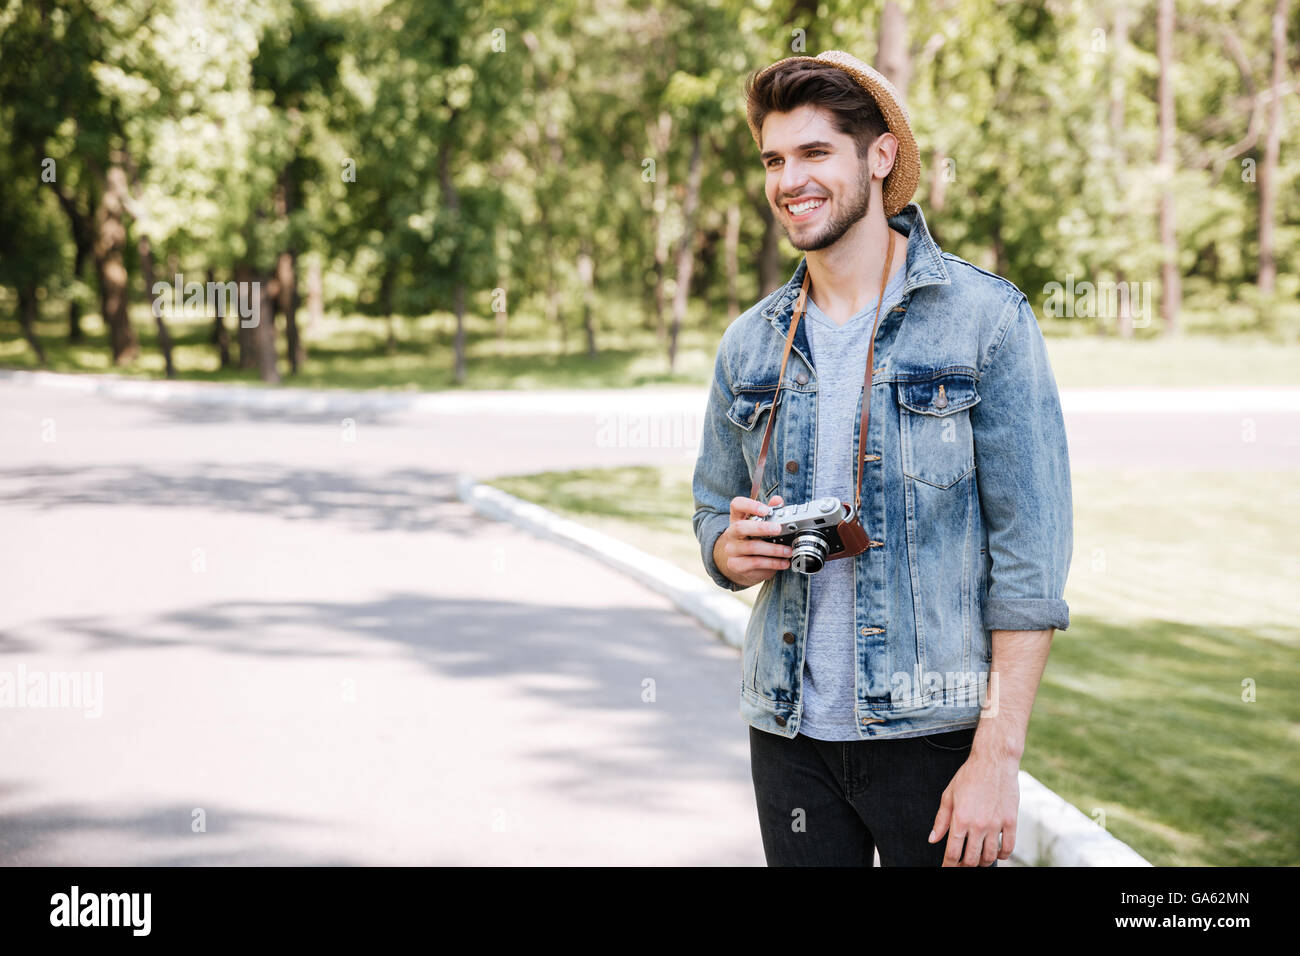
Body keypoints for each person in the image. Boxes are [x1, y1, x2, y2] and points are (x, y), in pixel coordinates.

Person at [691, 50, 1073, 867]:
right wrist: (728, 552)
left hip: (932, 737)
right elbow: (709, 510)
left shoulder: (986, 322)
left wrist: (997, 759)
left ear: (880, 156)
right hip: (788, 734)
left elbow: (1030, 565)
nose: (789, 179)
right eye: (773, 159)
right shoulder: (749, 343)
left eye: (815, 153)